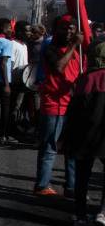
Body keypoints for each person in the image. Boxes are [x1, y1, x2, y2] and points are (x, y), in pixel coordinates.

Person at [33, 15, 83, 197]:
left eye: (72, 28)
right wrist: (74, 45)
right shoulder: (51, 48)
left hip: (72, 105)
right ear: (57, 30)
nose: (68, 31)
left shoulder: (79, 52)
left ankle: (72, 187)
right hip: (54, 105)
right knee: (49, 147)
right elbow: (59, 67)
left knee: (72, 149)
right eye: (64, 28)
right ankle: (42, 185)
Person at [60, 38, 105, 226]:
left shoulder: (85, 79)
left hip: (84, 134)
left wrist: (66, 136)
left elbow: (74, 111)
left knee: (82, 177)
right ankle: (103, 213)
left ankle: (80, 216)